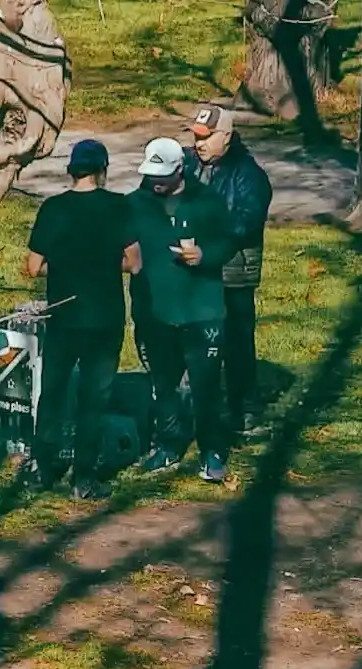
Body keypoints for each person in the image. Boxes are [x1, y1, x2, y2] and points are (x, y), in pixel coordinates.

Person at [26, 139, 142, 499]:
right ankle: (84, 478)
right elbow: (134, 263)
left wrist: (65, 266)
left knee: (53, 392)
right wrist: (104, 265)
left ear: (71, 171)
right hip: (104, 318)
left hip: (63, 316)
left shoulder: (53, 208)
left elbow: (32, 267)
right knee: (94, 398)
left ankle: (41, 469)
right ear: (103, 171)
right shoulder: (118, 206)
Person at [128, 137, 236, 481]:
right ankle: (168, 444)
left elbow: (229, 241)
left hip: (202, 310)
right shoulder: (134, 204)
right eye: (151, 174)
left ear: (180, 170)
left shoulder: (207, 201)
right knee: (163, 384)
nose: (155, 181)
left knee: (205, 386)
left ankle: (212, 450)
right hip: (154, 311)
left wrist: (205, 255)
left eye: (162, 175)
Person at [184, 103, 274, 436]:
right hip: (197, 269)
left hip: (233, 272)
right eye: (196, 137)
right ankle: (198, 402)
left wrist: (205, 234)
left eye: (206, 137)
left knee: (236, 341)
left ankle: (245, 407)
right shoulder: (188, 164)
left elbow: (245, 222)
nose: (199, 144)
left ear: (227, 136)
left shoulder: (249, 175)